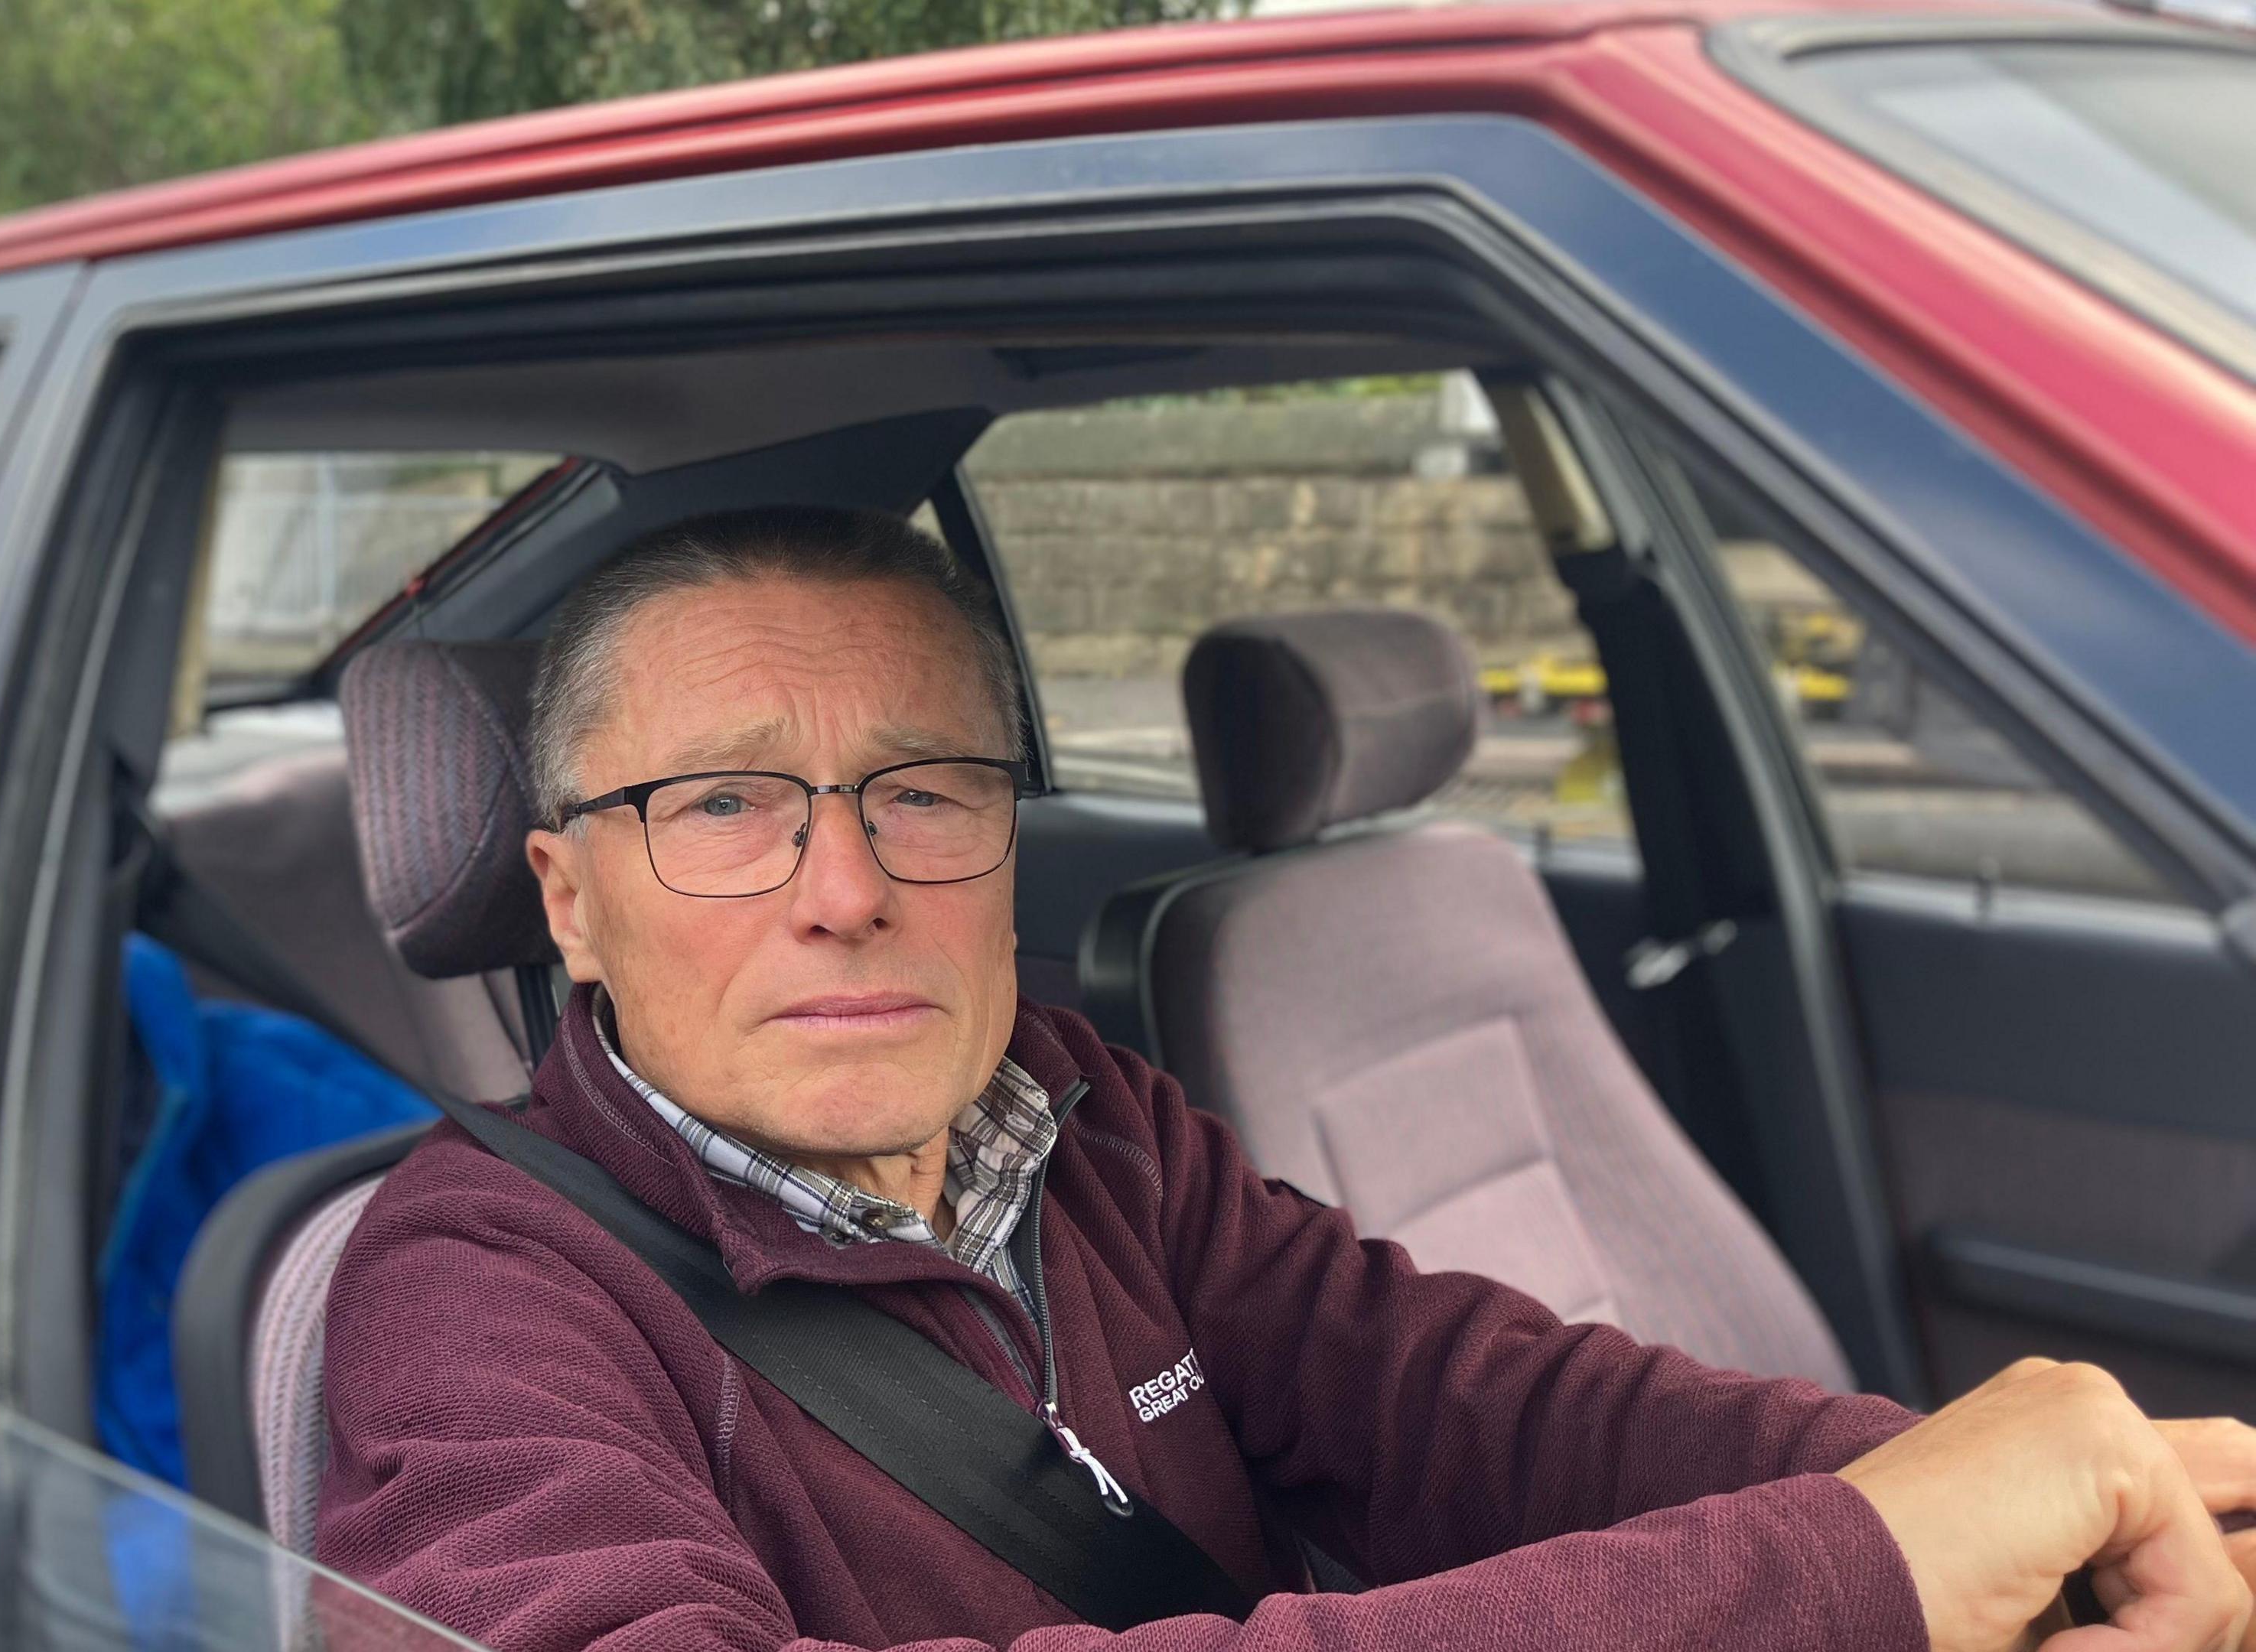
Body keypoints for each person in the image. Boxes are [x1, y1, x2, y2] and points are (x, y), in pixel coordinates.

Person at [314, 505, 2256, 1652]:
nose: (845, 888)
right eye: (723, 805)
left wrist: (2023, 1504)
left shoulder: (1080, 1123)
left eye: (925, 791)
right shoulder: (479, 1293)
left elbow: (1476, 1405)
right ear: (568, 902)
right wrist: (1852, 1568)